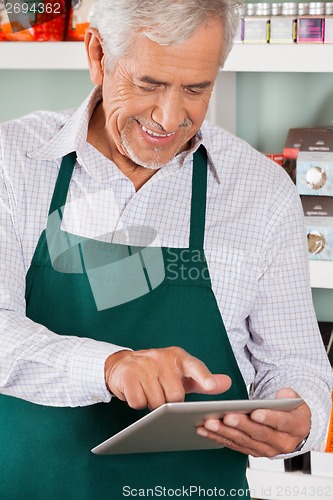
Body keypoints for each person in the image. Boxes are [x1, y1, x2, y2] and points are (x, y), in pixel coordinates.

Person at [0, 0, 332, 498]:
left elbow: (295, 362)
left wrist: (297, 419)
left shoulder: (260, 191)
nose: (169, 118)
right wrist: (110, 367)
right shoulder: (13, 164)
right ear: (97, 53)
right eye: (149, 84)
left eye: (196, 89)